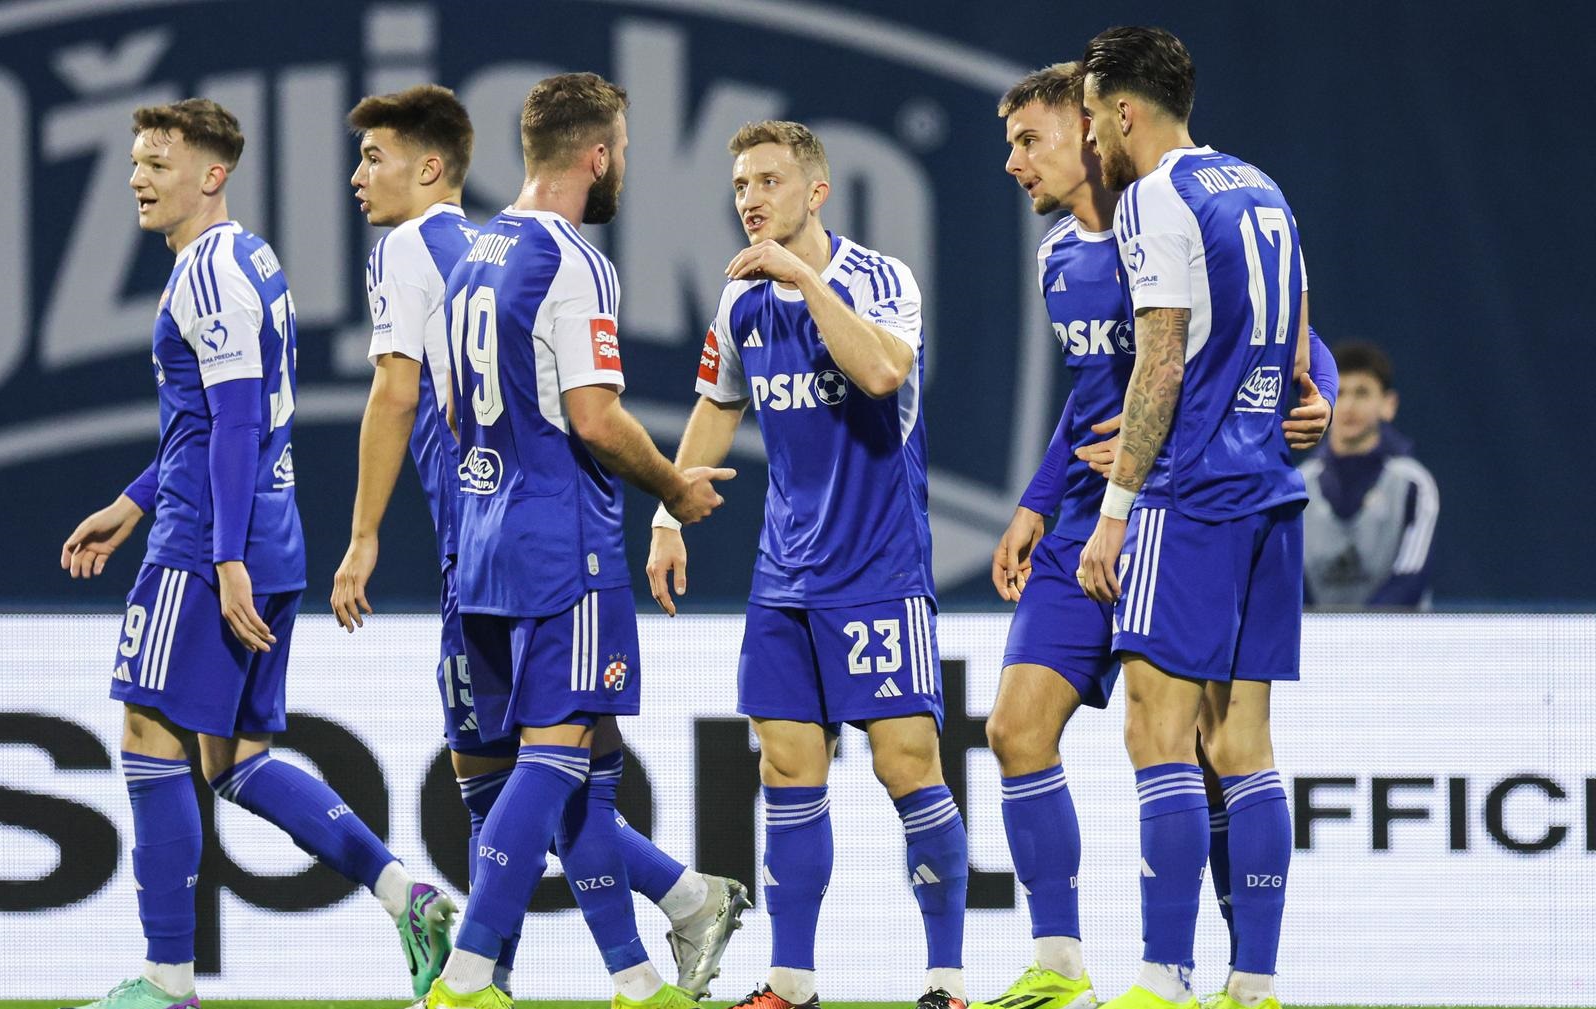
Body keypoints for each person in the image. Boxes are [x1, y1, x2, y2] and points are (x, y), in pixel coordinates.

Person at [328, 83, 749, 999]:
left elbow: (433, 398)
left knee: (566, 774)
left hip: (478, 545)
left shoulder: (473, 254)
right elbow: (595, 419)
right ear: (598, 155)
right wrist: (674, 487)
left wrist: (377, 531)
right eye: (625, 150)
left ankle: (642, 970)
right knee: (554, 764)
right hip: (566, 544)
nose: (625, 166)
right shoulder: (571, 259)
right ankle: (476, 969)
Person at [59, 98, 455, 1007]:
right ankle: (408, 894)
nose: (137, 178)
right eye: (136, 161)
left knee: (146, 739)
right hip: (268, 535)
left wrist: (222, 555)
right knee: (233, 760)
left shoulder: (206, 272)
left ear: (212, 173)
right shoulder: (253, 258)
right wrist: (131, 501)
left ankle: (166, 982)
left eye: (158, 162)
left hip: (210, 543)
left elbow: (237, 421)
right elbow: (210, 423)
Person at [980, 64, 1335, 1009]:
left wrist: (1317, 397)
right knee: (1016, 728)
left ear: (1092, 128)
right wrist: (1034, 497)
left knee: (1193, 745)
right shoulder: (1060, 254)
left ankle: (1190, 975)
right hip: (1097, 520)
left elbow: (1282, 338)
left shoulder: (1160, 211)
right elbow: (1095, 402)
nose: (1017, 162)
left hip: (1165, 508)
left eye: (1032, 140)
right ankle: (1062, 966)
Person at [647, 120, 968, 1009]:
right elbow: (718, 405)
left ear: (816, 192)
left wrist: (800, 276)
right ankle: (791, 983)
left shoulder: (879, 279)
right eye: (741, 183)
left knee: (908, 767)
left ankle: (946, 978)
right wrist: (670, 515)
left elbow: (880, 373)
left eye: (769, 181)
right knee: (787, 770)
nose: (750, 198)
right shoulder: (739, 301)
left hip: (878, 569)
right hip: (784, 575)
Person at [1075, 27, 1312, 1009]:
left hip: (1193, 490)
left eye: (1091, 117)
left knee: (1155, 731)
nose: (1091, 138)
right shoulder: (1258, 185)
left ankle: (1162, 979)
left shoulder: (1150, 196)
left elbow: (1159, 362)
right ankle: (1250, 982)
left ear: (1125, 110)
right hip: (1270, 490)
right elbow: (1297, 334)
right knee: (1244, 744)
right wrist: (1301, 398)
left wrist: (1113, 512)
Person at [1299, 340, 1436, 608]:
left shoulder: (1414, 485)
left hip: (1396, 646)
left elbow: (1410, 578)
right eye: (1340, 393)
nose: (1349, 406)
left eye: (1362, 393)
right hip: (1316, 646)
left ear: (1389, 404)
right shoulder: (1298, 486)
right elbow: (1291, 581)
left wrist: (1360, 641)